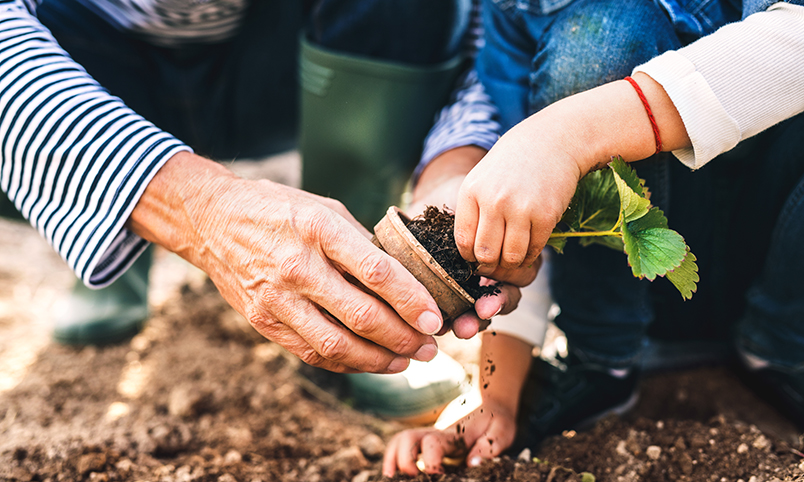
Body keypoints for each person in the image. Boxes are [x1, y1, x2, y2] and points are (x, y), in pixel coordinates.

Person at [382, 0, 804, 475]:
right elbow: (517, 191)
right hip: (635, 294)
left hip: (783, 257)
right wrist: (494, 395)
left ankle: (782, 347)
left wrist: (572, 133)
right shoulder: (515, 13)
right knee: (598, 39)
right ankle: (603, 359)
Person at [0, 0, 524, 376]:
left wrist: (456, 160)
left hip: (284, 55)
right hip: (85, 48)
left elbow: (494, 25)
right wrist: (198, 208)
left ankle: (352, 293)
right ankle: (116, 239)